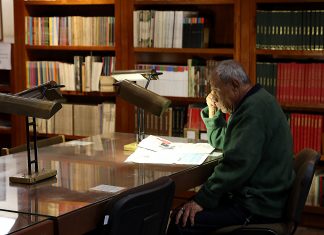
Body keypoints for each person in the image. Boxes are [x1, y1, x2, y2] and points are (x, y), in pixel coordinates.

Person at [167, 59, 295, 235]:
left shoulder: (253, 111)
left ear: (235, 85)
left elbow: (236, 164)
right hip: (261, 198)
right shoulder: (254, 102)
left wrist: (203, 199)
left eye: (217, 91)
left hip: (256, 206)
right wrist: (214, 113)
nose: (213, 97)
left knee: (180, 221)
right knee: (182, 213)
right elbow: (226, 140)